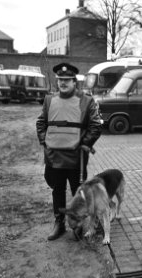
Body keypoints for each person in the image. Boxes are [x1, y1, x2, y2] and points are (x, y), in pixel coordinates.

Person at [36, 62, 102, 241]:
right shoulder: (49, 100)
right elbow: (41, 123)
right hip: (54, 157)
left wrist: (86, 143)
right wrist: (45, 141)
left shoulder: (86, 101)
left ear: (74, 82)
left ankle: (78, 224)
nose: (63, 83)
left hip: (76, 158)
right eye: (60, 80)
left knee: (78, 192)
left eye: (67, 80)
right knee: (57, 190)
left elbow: (96, 126)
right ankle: (59, 223)